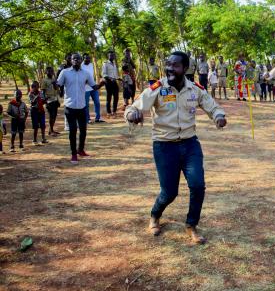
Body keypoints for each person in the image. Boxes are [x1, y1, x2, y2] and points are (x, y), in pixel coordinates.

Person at [125, 51, 227, 244]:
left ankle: (191, 225)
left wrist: (219, 117)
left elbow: (212, 106)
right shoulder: (157, 88)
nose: (170, 69)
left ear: (185, 68)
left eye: (175, 65)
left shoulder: (194, 89)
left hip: (190, 145)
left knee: (198, 185)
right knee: (169, 192)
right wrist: (132, 115)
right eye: (168, 65)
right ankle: (155, 215)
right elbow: (136, 107)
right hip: (164, 146)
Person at [57, 53, 104, 164]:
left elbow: (94, 87)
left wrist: (102, 84)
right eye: (74, 59)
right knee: (72, 131)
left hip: (82, 107)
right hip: (70, 107)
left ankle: (81, 150)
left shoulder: (86, 74)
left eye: (78, 59)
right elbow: (58, 85)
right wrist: (56, 76)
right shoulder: (65, 72)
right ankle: (73, 154)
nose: (76, 60)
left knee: (83, 130)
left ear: (81, 60)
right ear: (71, 60)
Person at [82, 54, 104, 124]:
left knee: (97, 102)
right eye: (86, 58)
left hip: (93, 87)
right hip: (85, 88)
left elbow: (92, 75)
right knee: (86, 104)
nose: (88, 60)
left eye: (89, 58)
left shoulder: (91, 65)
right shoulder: (81, 66)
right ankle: (87, 119)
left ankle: (98, 118)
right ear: (83, 58)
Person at [41, 66, 61, 136]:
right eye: (49, 71)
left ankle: (51, 130)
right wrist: (45, 101)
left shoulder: (53, 79)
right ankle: (51, 130)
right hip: (49, 100)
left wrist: (54, 83)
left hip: (55, 99)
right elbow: (43, 91)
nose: (51, 72)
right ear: (46, 72)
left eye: (52, 71)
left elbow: (56, 89)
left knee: (55, 115)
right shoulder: (44, 80)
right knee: (51, 115)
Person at [28, 81, 48, 145]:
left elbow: (42, 102)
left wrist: (45, 100)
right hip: (34, 111)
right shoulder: (30, 94)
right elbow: (32, 103)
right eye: (33, 86)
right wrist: (36, 98)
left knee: (43, 125)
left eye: (36, 86)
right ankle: (34, 140)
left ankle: (43, 139)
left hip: (41, 111)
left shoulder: (40, 93)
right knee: (35, 126)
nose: (36, 87)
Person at [56, 54, 72, 131]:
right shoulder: (62, 67)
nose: (70, 59)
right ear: (65, 59)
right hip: (65, 90)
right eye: (68, 58)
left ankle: (75, 123)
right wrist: (59, 90)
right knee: (67, 106)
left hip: (74, 89)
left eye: (71, 58)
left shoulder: (75, 66)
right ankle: (67, 125)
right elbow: (57, 80)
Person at [102, 51, 120, 118]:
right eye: (110, 55)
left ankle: (114, 112)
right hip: (108, 82)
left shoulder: (114, 64)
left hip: (114, 82)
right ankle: (108, 112)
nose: (112, 57)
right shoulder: (105, 63)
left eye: (113, 55)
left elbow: (115, 74)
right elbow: (104, 74)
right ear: (108, 56)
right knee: (109, 98)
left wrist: (119, 78)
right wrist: (110, 78)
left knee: (116, 97)